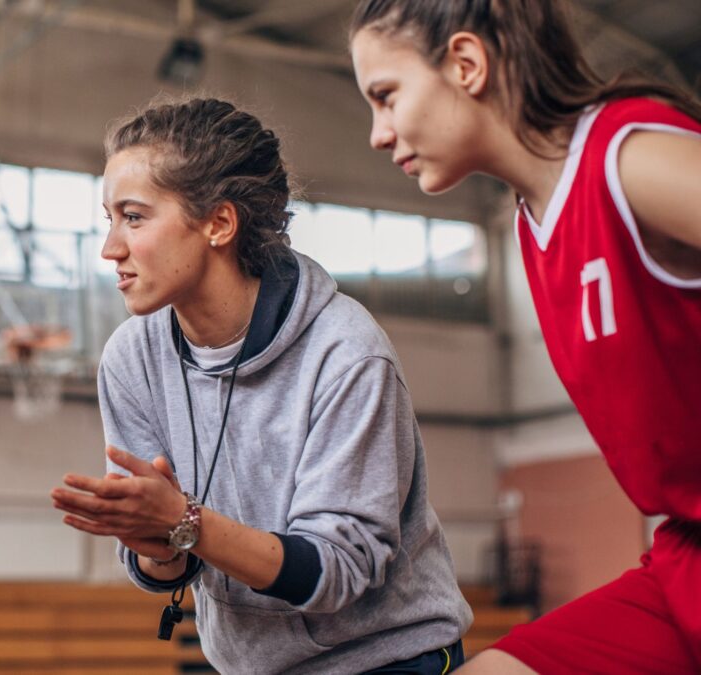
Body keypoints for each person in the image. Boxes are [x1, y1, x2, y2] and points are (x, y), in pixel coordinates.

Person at [51, 97, 471, 674]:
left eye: (135, 216)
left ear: (219, 223)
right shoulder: (132, 357)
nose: (110, 248)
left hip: (387, 660)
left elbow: (338, 570)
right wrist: (158, 546)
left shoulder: (347, 353)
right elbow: (171, 561)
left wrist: (183, 523)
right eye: (109, 219)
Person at [349, 1, 701, 672]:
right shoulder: (534, 224)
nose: (376, 132)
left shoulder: (628, 160)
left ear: (465, 64)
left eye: (386, 97)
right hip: (682, 558)